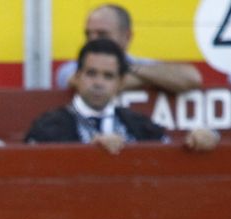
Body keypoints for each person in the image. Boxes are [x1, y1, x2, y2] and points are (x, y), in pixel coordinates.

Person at [27, 39, 219, 154]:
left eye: (108, 76)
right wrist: (87, 151)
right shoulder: (47, 126)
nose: (98, 83)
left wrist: (202, 139)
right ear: (77, 78)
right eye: (91, 73)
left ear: (120, 83)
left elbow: (170, 155)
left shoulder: (138, 124)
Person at [54, 5, 202, 94]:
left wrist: (130, 69)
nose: (93, 40)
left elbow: (191, 78)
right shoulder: (69, 69)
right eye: (88, 34)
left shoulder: (139, 64)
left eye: (102, 34)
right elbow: (86, 84)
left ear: (127, 36)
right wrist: (157, 80)